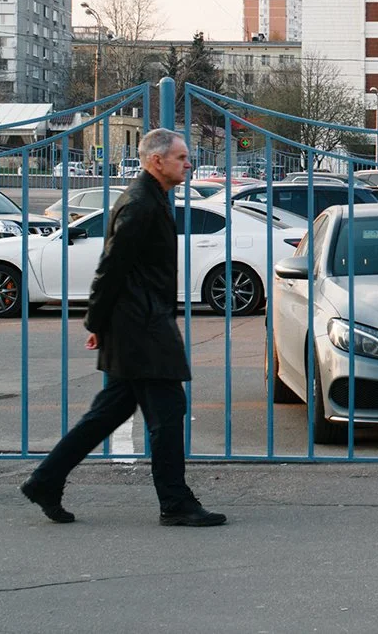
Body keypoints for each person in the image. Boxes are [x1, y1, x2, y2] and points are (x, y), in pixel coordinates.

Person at [20, 129, 227, 528]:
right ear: (156, 161)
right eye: (182, 158)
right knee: (168, 414)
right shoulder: (139, 204)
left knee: (107, 413)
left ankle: (45, 480)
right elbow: (110, 267)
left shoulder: (152, 197)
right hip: (142, 328)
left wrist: (104, 322)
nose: (189, 164)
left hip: (137, 323)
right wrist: (97, 322)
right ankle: (175, 502)